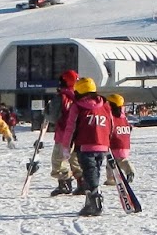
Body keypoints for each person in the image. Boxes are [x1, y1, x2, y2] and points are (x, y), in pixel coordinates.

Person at [56, 77, 114, 216]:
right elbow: (110, 124)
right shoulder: (105, 104)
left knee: (89, 173)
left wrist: (66, 146)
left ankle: (95, 199)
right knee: (95, 172)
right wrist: (108, 141)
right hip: (102, 145)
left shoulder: (78, 106)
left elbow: (71, 127)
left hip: (85, 146)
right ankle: (90, 200)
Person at [46, 70, 83, 195]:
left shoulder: (61, 97)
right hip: (78, 134)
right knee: (75, 160)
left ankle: (64, 183)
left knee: (58, 160)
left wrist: (47, 111)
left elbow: (52, 117)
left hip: (63, 134)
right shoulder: (80, 96)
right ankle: (82, 183)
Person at [105, 94, 135, 183]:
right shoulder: (123, 116)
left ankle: (129, 171)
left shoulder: (112, 116)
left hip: (115, 143)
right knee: (112, 162)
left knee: (116, 162)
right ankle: (110, 179)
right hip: (125, 143)